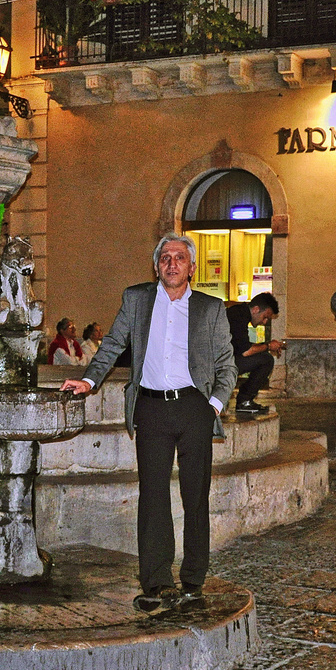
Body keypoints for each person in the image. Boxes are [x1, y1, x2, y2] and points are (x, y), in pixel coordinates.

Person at [62, 234, 237, 613]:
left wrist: (213, 407)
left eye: (179, 258)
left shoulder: (210, 308)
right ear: (156, 266)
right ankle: (155, 582)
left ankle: (193, 580)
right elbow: (111, 344)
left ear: (191, 267)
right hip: (152, 408)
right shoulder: (137, 299)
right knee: (153, 497)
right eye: (165, 258)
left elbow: (227, 364)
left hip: (194, 408)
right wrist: (89, 380)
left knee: (195, 497)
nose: (172, 264)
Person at [225, 292, 283, 416]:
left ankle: (244, 400)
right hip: (218, 364)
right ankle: (244, 401)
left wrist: (266, 345)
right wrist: (268, 346)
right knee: (266, 360)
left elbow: (242, 345)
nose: (265, 322)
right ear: (256, 309)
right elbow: (246, 351)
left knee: (264, 357)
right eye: (265, 317)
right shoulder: (239, 316)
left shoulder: (238, 312)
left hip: (222, 359)